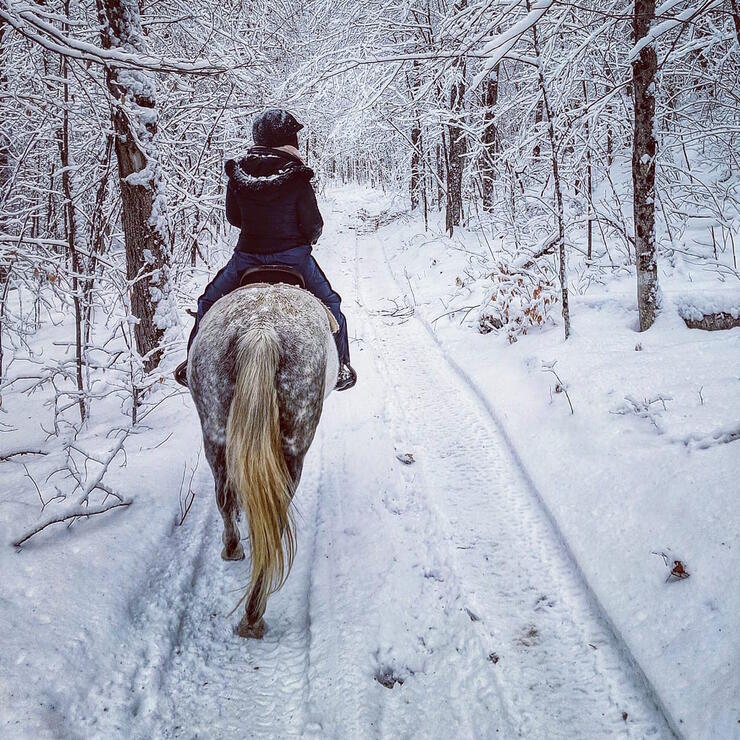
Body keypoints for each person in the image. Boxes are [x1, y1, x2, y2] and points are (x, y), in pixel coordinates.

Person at [175, 109, 357, 391]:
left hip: (246, 258)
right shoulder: (298, 177)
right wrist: (307, 238)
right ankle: (342, 367)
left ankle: (192, 365)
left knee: (207, 303)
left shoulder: (238, 175)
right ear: (286, 139)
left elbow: (234, 218)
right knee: (332, 305)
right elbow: (313, 225)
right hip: (294, 259)